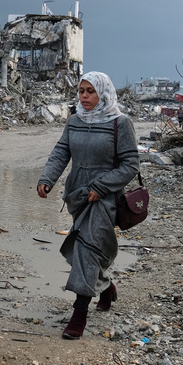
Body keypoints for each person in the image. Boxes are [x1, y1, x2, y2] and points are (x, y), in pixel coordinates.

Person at [36, 71, 139, 340]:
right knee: (90, 248)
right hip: (77, 195)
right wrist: (47, 179)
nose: (84, 96)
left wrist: (101, 186)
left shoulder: (120, 123)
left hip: (105, 197)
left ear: (103, 93)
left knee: (86, 248)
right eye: (81, 91)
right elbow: (61, 151)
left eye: (90, 91)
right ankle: (106, 288)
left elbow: (130, 165)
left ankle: (79, 313)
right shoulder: (74, 121)